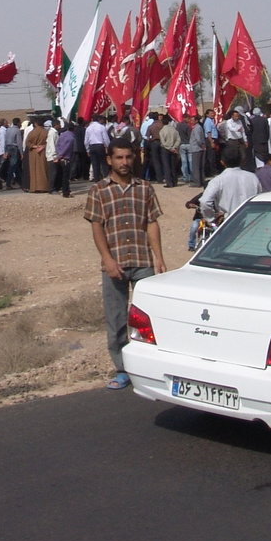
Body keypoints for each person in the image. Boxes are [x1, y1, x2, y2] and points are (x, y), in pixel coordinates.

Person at [83, 136, 167, 390]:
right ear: (109, 160)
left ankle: (152, 368)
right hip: (115, 264)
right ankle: (123, 368)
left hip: (142, 261)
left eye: (128, 157)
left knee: (149, 320)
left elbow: (151, 223)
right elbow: (97, 227)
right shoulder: (99, 190)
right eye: (119, 157)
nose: (124, 162)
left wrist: (159, 258)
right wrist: (107, 259)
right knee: (117, 319)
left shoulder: (144, 188)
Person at [201, 144, 262, 224]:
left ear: (222, 162)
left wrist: (212, 218)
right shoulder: (253, 177)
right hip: (251, 224)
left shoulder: (217, 181)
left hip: (229, 224)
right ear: (241, 160)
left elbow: (205, 202)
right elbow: (259, 199)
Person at [24, 118, 49, 194]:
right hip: (42, 152)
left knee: (33, 170)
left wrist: (34, 146)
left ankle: (34, 187)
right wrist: (42, 146)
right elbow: (48, 142)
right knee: (43, 169)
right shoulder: (45, 132)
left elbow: (27, 142)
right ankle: (44, 187)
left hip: (33, 152)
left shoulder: (32, 133)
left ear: (36, 124)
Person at [52, 120, 75, 197]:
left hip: (60, 156)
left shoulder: (62, 135)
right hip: (66, 158)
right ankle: (66, 192)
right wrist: (61, 155)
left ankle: (61, 189)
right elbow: (67, 148)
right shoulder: (71, 138)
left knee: (61, 175)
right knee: (66, 176)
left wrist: (58, 153)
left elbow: (57, 144)